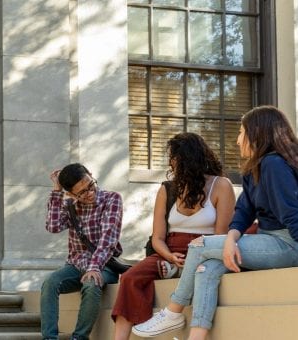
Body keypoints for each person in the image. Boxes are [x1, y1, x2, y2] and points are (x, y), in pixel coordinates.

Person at [132, 105, 298, 340]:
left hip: (289, 243)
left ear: (257, 133)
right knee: (205, 269)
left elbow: (293, 214)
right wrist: (230, 239)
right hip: (267, 239)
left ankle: (173, 311)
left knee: (199, 245)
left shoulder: (273, 164)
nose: (237, 139)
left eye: (241, 132)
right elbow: (243, 213)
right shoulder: (254, 169)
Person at [111, 132, 235, 340]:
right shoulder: (167, 189)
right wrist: (169, 256)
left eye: (175, 157)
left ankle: (174, 279)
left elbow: (221, 234)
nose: (171, 162)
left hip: (206, 249)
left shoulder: (221, 185)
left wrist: (195, 256)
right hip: (169, 251)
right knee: (130, 277)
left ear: (190, 158)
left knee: (198, 270)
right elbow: (157, 238)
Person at [41, 163, 123, 340]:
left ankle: (79, 338)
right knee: (49, 283)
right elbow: (53, 226)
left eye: (91, 185)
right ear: (71, 193)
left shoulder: (112, 199)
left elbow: (108, 240)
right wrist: (57, 192)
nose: (90, 193)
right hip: (76, 265)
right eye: (83, 192)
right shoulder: (70, 205)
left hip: (104, 265)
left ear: (91, 175)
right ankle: (49, 338)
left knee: (91, 284)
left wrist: (94, 267)